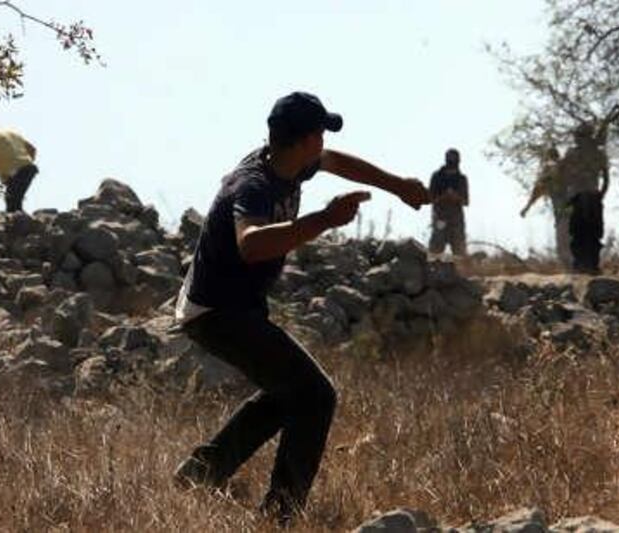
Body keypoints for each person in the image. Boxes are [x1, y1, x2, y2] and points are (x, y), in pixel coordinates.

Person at [172, 92, 429, 521]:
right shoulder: (252, 186)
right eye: (321, 134)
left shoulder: (289, 162)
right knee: (315, 395)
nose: (324, 144)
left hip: (233, 307)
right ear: (308, 139)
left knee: (286, 392)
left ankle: (202, 472)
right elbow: (251, 245)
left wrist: (399, 186)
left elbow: (339, 163)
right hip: (216, 313)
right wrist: (324, 221)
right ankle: (281, 516)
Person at [559, 123, 610, 273]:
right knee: (588, 232)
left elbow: (563, 175)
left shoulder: (572, 153)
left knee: (583, 231)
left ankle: (585, 265)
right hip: (590, 195)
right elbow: (606, 179)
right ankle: (587, 265)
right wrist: (601, 195)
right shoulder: (599, 154)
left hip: (581, 195)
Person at [520, 146, 571, 266]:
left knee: (562, 233)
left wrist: (527, 207)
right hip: (575, 204)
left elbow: (538, 189)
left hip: (561, 206)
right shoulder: (568, 168)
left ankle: (567, 264)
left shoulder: (549, 168)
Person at [0, 115, 39, 213]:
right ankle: (21, 220)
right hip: (29, 168)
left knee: (12, 200)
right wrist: (25, 162)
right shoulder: (12, 133)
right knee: (15, 199)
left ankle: (19, 223)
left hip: (16, 172)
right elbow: (32, 150)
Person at [428, 148, 469, 256]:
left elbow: (466, 202)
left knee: (460, 251)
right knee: (435, 251)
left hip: (456, 219)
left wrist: (455, 197)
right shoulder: (437, 177)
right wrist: (444, 196)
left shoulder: (461, 178)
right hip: (440, 217)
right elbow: (430, 199)